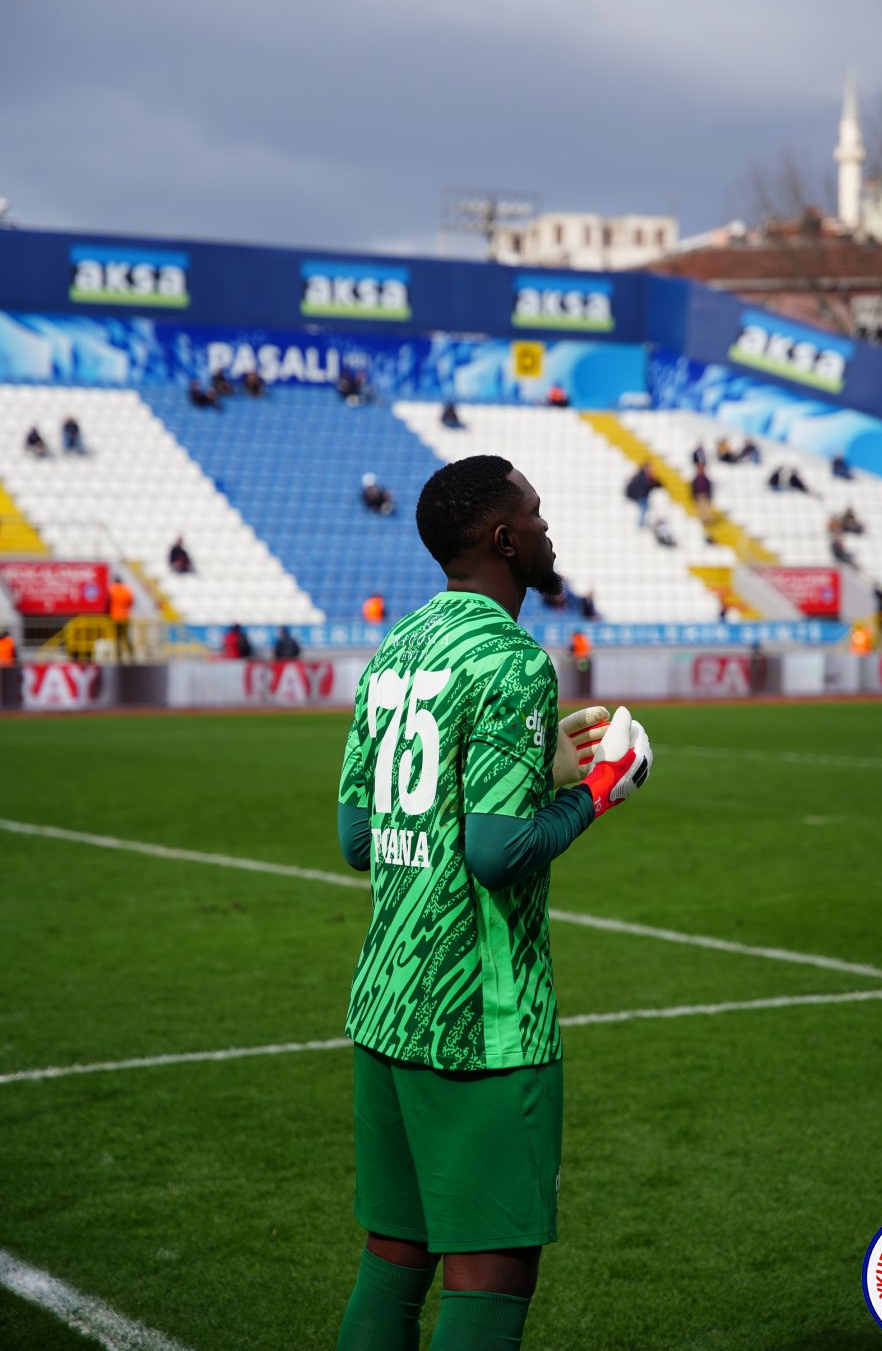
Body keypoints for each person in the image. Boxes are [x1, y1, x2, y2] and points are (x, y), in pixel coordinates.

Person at [335, 455, 653, 1351]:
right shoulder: (514, 660)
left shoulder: (397, 646)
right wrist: (596, 789)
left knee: (392, 1265)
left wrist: (531, 764)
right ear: (503, 538)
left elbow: (361, 837)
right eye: (537, 515)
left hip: (386, 1007)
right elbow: (497, 853)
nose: (547, 530)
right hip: (479, 1020)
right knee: (487, 1284)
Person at [624, 462, 661, 527]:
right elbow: (645, 486)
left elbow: (653, 484)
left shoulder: (645, 476)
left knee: (646, 506)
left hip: (638, 494)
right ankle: (641, 522)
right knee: (644, 505)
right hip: (636, 494)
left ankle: (643, 520)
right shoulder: (642, 477)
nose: (651, 469)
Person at [107, 575, 134, 661]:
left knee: (117, 637)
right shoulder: (127, 590)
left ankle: (119, 655)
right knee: (126, 637)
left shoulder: (112, 590)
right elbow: (131, 602)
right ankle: (131, 654)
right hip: (125, 617)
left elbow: (108, 602)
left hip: (115, 617)